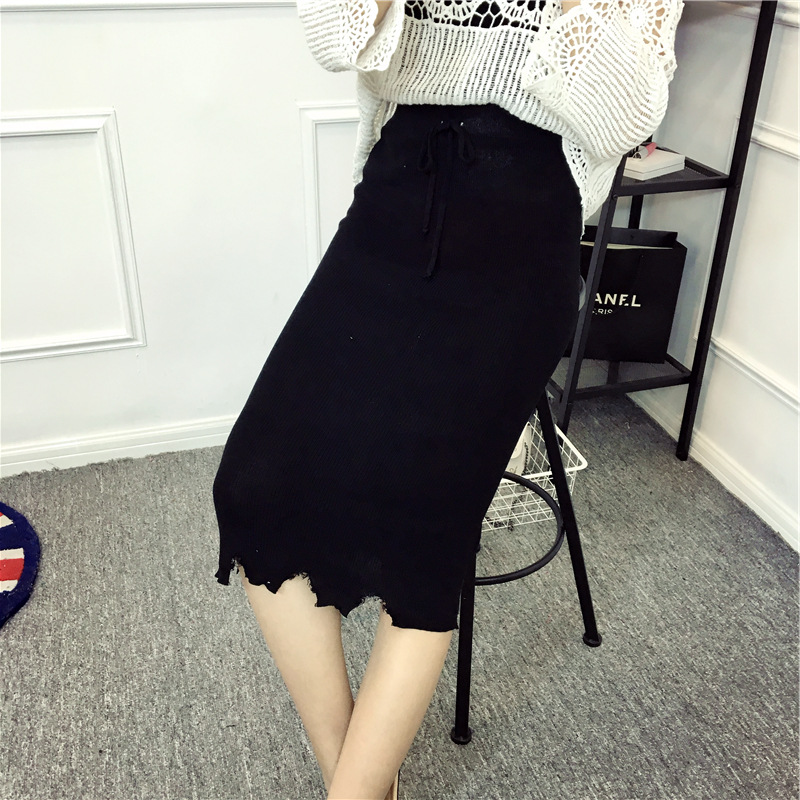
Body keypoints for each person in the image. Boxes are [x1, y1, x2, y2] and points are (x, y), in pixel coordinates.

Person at [212, 2, 685, 798]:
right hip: (395, 198)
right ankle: (357, 782)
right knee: (253, 488)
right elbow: (334, 38)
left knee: (424, 538)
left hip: (523, 227)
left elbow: (624, 114)